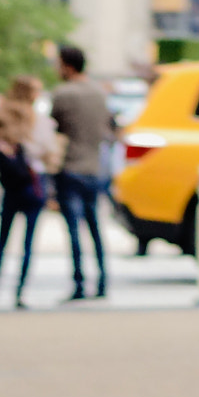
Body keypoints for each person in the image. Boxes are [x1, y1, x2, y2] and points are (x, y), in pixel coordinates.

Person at [0, 75, 55, 309]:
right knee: (28, 243)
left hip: (11, 184)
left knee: (2, 240)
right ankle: (20, 293)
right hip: (33, 180)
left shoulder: (2, 116)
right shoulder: (38, 120)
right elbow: (48, 149)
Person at [47, 44, 113, 301]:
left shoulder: (63, 94)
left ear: (67, 65)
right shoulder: (100, 92)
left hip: (70, 167)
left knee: (74, 229)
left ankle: (79, 283)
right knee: (96, 227)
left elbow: (55, 129)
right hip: (95, 168)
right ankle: (103, 281)